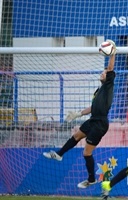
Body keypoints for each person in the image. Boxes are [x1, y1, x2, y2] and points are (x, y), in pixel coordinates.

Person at [43, 40, 117, 189]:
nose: (102, 73)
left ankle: (91, 179)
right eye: (102, 72)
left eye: (103, 72)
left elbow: (110, 68)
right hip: (92, 120)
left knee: (86, 153)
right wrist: (78, 114)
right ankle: (59, 154)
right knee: (76, 136)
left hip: (100, 124)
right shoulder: (99, 91)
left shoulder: (108, 85)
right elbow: (92, 107)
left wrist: (113, 53)